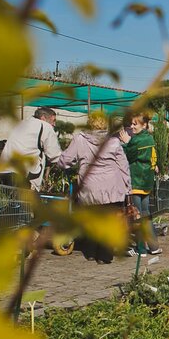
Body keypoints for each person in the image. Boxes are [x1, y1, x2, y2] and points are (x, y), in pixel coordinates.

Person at [56, 112, 131, 264]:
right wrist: (127, 187)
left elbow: (65, 160)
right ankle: (104, 256)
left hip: (89, 187)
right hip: (112, 187)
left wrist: (62, 165)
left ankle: (90, 252)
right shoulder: (113, 141)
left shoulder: (80, 139)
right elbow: (123, 166)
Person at [121, 113, 161, 256]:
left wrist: (126, 142)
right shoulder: (149, 138)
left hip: (136, 179)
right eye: (131, 124)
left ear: (144, 125)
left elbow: (127, 155)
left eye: (135, 124)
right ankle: (154, 246)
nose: (132, 127)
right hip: (146, 181)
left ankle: (141, 249)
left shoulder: (137, 140)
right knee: (146, 215)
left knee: (136, 215)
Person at [0, 107, 62, 191]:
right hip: (20, 174)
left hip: (3, 170)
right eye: (53, 120)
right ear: (43, 118)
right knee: (26, 203)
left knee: (13, 202)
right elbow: (54, 155)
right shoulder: (45, 126)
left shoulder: (23, 123)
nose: (54, 124)